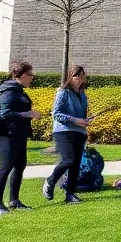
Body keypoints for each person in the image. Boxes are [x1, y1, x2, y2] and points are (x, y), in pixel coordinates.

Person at [0, 60, 43, 214]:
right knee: (5, 167)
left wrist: (29, 114)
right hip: (7, 134)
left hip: (19, 133)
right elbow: (5, 113)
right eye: (30, 74)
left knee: (20, 166)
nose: (32, 77)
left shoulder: (19, 91)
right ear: (19, 75)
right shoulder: (9, 91)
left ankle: (14, 200)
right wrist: (29, 114)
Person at [44, 64, 93, 204]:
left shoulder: (82, 94)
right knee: (68, 159)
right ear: (70, 77)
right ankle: (50, 181)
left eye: (81, 76)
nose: (79, 79)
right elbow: (57, 114)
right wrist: (75, 120)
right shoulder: (63, 92)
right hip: (63, 131)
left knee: (75, 164)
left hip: (79, 132)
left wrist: (85, 121)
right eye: (76, 76)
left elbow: (81, 114)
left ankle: (70, 194)